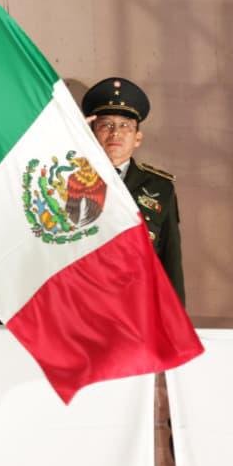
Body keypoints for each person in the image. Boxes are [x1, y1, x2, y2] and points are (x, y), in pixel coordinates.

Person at [82, 76, 184, 303]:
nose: (115, 133)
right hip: (83, 304)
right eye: (106, 125)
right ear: (91, 133)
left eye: (125, 126)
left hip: (138, 306)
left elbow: (170, 260)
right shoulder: (70, 179)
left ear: (138, 138)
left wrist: (176, 322)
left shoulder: (160, 187)